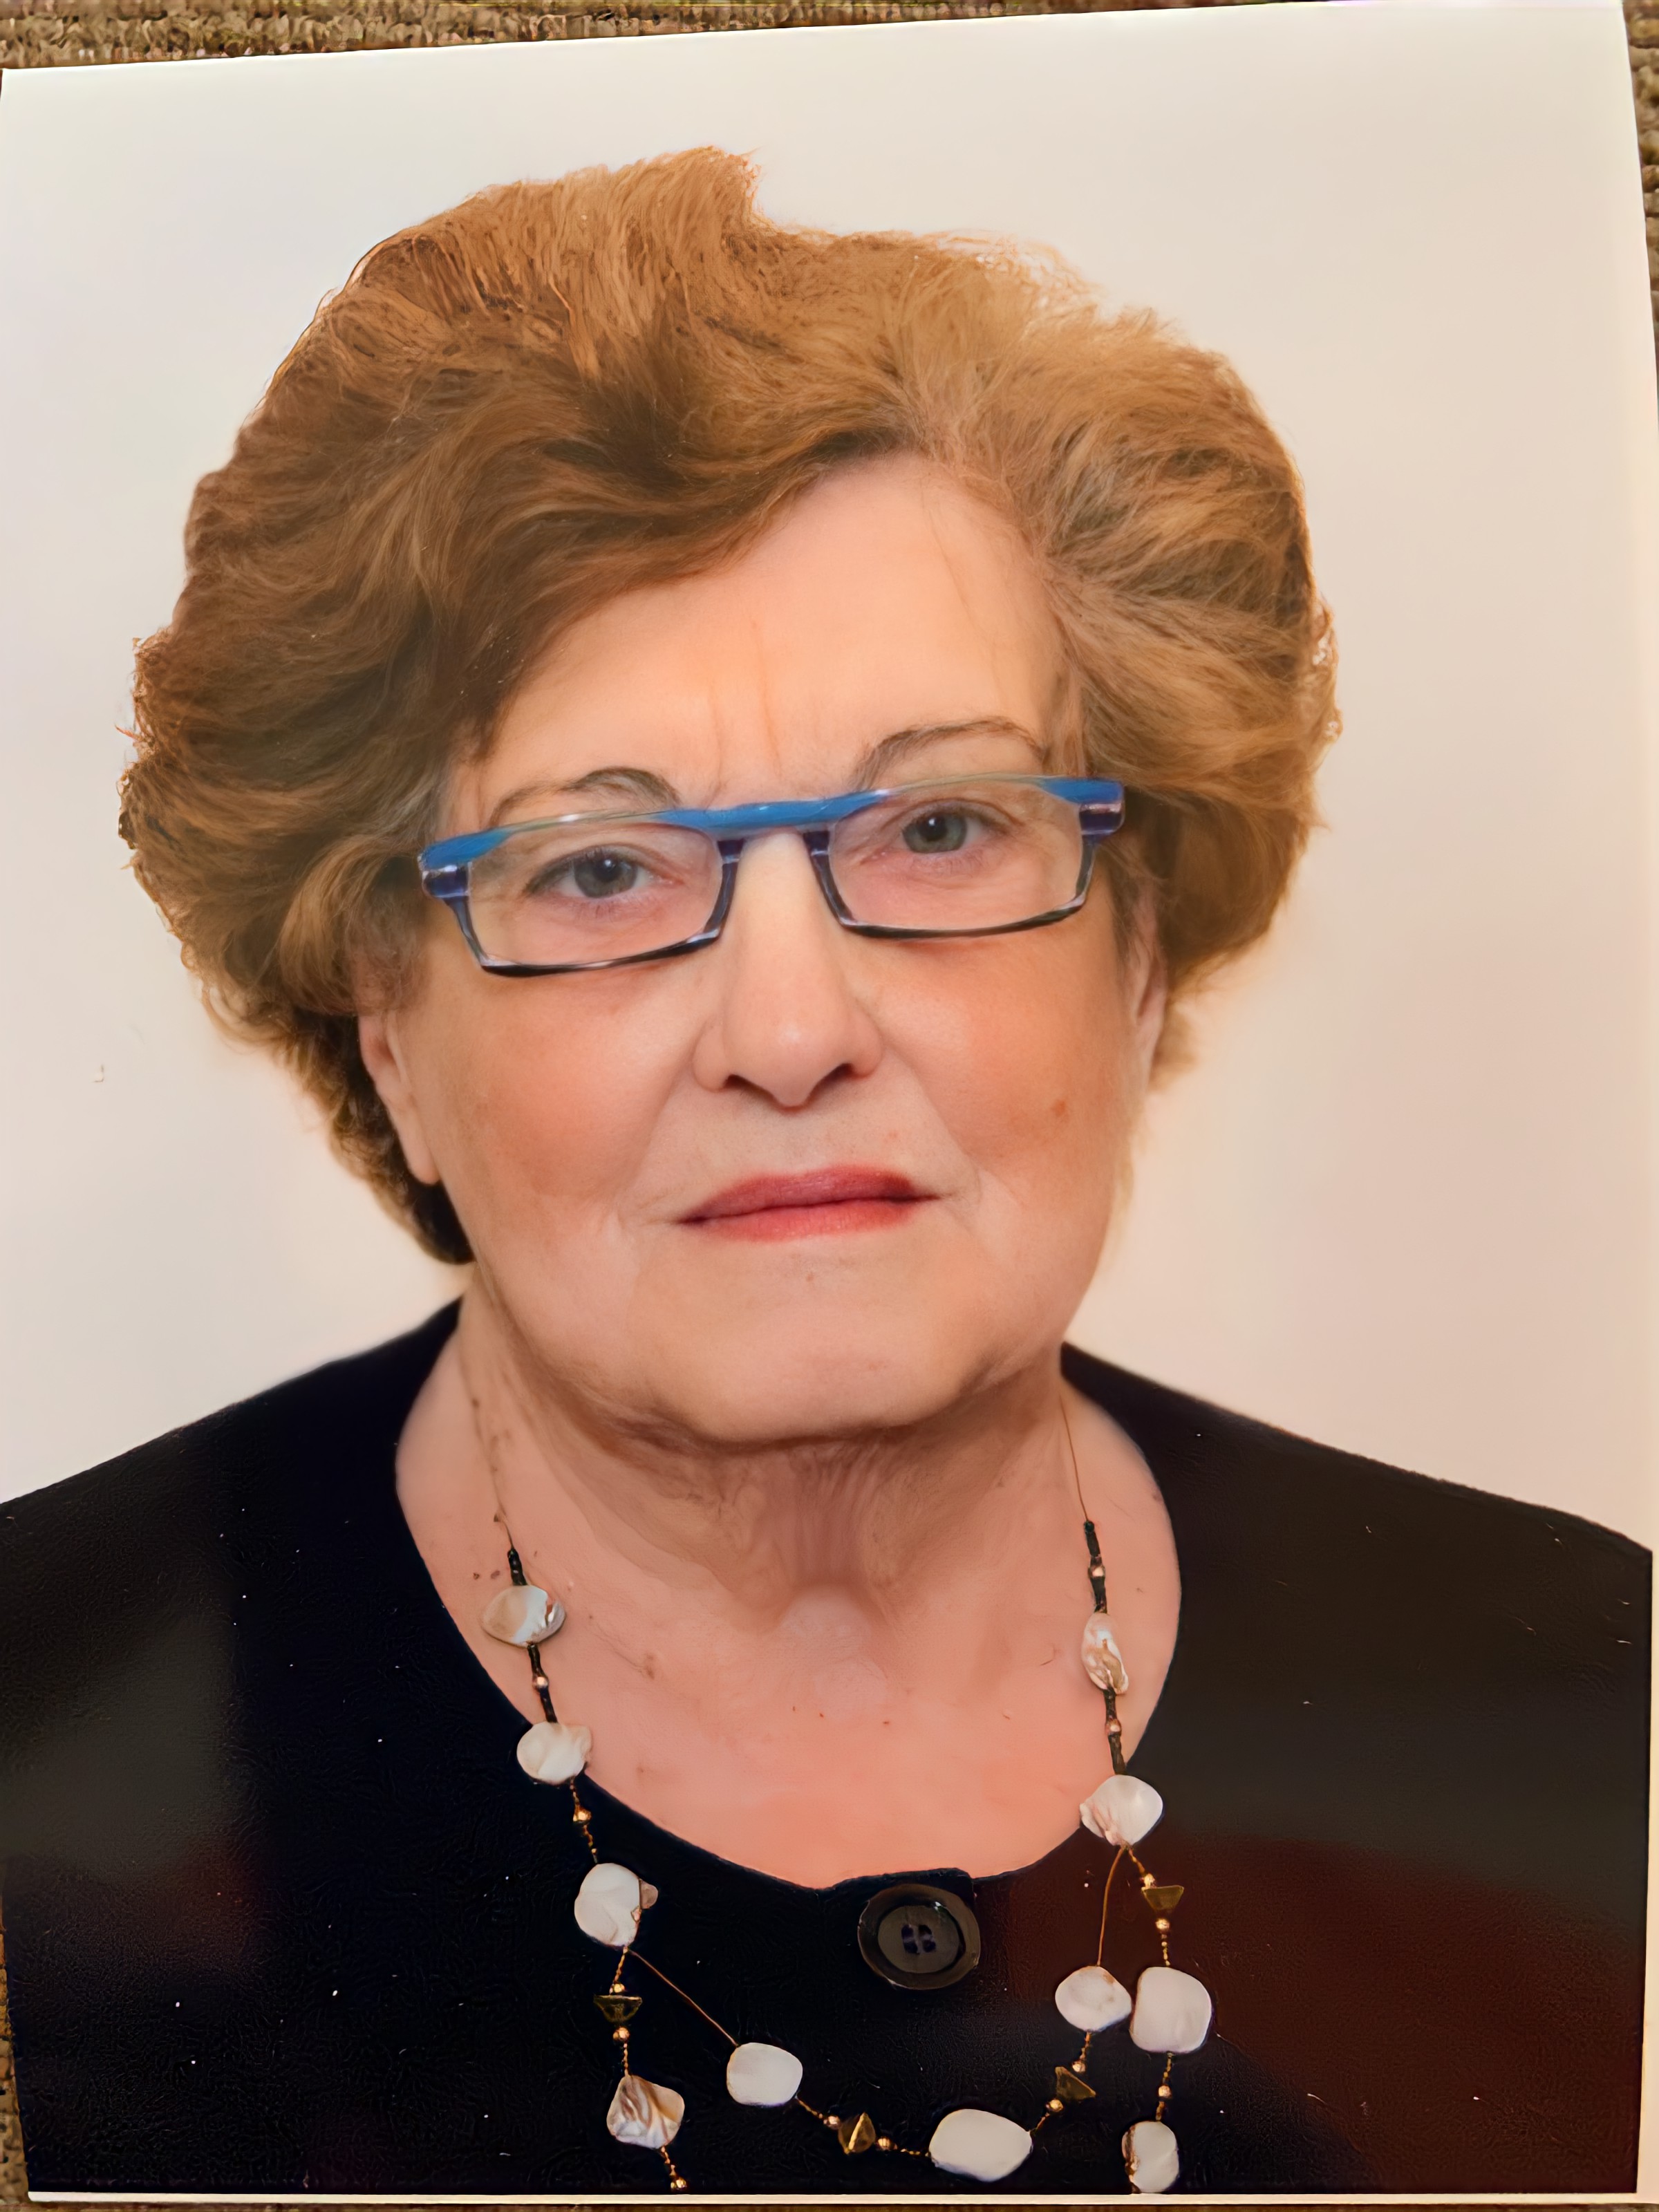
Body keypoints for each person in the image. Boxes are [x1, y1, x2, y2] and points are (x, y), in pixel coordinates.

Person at [0, 149, 1646, 2200]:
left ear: (1139, 952)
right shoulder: (52, 1769)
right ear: (386, 1022)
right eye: (600, 868)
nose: (791, 1034)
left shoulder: (1602, 1700)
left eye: (941, 830)